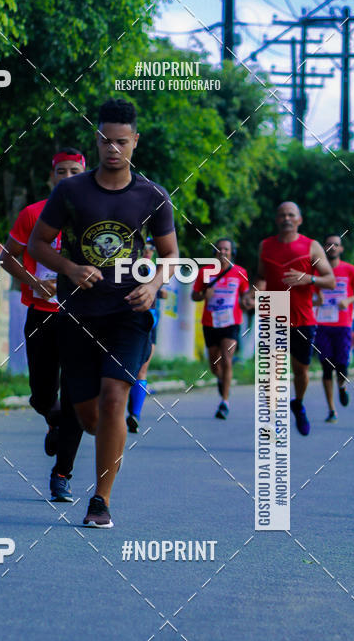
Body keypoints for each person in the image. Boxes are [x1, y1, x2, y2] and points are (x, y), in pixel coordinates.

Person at [28, 98, 178, 527]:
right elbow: (39, 244)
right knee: (91, 416)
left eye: (121, 142)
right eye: (105, 141)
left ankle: (101, 501)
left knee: (115, 399)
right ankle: (97, 444)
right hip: (78, 314)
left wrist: (152, 285)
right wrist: (70, 268)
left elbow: (169, 255)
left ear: (135, 143)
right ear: (97, 141)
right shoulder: (70, 191)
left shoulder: (152, 195)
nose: (113, 149)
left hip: (128, 312)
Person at [0, 149, 86, 501]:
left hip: (83, 317)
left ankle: (62, 473)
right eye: (61, 171)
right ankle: (53, 418)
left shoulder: (91, 217)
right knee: (42, 394)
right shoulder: (33, 214)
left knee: (77, 398)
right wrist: (35, 283)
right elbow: (7, 257)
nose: (67, 177)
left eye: (74, 171)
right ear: (52, 177)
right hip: (41, 314)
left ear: (83, 174)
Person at [250, 202, 335, 436]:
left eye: (291, 214)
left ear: (299, 220)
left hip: (302, 317)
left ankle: (297, 403)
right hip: (274, 314)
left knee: (301, 371)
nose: (286, 218)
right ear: (276, 219)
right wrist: (253, 293)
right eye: (282, 215)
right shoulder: (265, 246)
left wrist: (308, 278)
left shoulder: (312, 247)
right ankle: (274, 422)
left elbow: (330, 280)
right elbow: (260, 276)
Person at [191, 238, 250, 420]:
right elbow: (194, 295)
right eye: (220, 249)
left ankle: (224, 402)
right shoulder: (205, 272)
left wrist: (249, 302)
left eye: (226, 249)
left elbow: (245, 296)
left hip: (231, 323)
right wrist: (203, 295)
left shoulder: (240, 272)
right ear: (215, 252)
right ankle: (220, 378)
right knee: (215, 365)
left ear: (232, 252)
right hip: (210, 323)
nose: (223, 252)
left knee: (227, 358)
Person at [313, 234, 354, 421]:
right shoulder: (317, 273)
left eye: (336, 245)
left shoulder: (349, 270)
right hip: (323, 325)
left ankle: (342, 386)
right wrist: (317, 301)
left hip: (342, 325)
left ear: (341, 249)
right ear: (324, 248)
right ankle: (331, 410)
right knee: (326, 367)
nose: (332, 247)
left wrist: (348, 300)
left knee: (342, 366)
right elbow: (312, 298)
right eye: (329, 244)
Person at [126, 241, 167, 433]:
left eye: (152, 248)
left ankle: (135, 415)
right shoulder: (127, 267)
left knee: (142, 370)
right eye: (145, 247)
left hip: (149, 323)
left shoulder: (159, 270)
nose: (148, 251)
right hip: (125, 322)